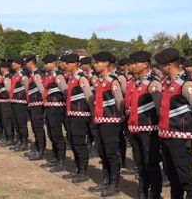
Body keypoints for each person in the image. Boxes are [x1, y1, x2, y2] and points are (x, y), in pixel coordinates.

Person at [155, 48, 192, 199]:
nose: (160, 69)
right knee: (172, 174)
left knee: (185, 175)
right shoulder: (166, 83)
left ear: (169, 65)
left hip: (180, 137)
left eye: (161, 66)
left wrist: (190, 123)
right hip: (165, 135)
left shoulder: (185, 84)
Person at [88, 51, 123, 197]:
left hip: (111, 121)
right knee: (102, 152)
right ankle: (106, 180)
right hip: (100, 121)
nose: (95, 65)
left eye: (98, 62)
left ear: (107, 64)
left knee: (111, 154)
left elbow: (119, 102)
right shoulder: (100, 81)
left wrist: (119, 119)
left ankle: (114, 184)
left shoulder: (113, 81)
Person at [128, 51, 162, 199]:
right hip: (136, 129)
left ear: (145, 64)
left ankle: (155, 193)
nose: (133, 66)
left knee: (151, 163)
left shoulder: (153, 83)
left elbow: (160, 107)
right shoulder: (137, 82)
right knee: (140, 163)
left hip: (150, 131)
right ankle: (142, 191)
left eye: (136, 63)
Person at [62, 53, 93, 183]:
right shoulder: (71, 78)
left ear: (74, 64)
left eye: (67, 63)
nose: (65, 66)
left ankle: (83, 171)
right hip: (72, 114)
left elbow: (89, 97)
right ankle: (78, 169)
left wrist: (93, 114)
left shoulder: (81, 78)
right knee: (73, 142)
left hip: (81, 115)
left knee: (80, 143)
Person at [40, 54, 68, 172]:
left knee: (57, 134)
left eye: (46, 63)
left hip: (57, 108)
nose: (45, 66)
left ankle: (61, 161)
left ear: (52, 63)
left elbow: (65, 91)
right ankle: (55, 158)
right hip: (49, 108)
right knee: (51, 134)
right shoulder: (48, 76)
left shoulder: (58, 76)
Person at [25, 54, 46, 160]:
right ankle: (37, 148)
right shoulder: (32, 75)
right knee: (34, 127)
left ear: (30, 63)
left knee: (38, 128)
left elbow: (42, 91)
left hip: (37, 105)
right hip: (33, 105)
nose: (26, 65)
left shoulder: (37, 75)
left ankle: (41, 150)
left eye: (26, 63)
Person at [9, 56, 29, 152]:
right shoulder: (14, 75)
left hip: (21, 103)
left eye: (14, 62)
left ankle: (24, 142)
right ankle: (19, 140)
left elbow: (27, 89)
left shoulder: (23, 76)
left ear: (19, 64)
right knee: (16, 123)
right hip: (14, 102)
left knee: (21, 123)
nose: (12, 64)